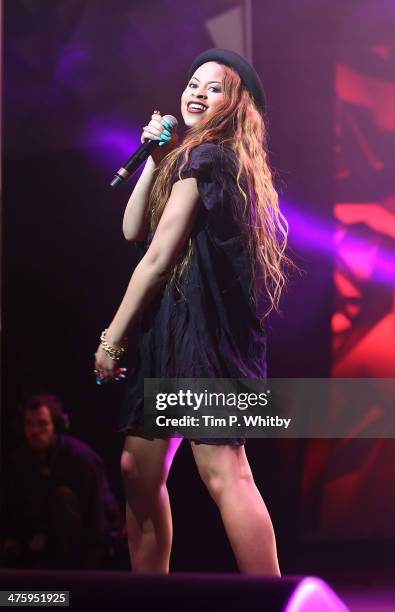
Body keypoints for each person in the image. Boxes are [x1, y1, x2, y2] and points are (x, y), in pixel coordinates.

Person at [94, 48, 290, 575]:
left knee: (224, 470)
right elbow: (133, 230)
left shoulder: (211, 157)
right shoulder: (186, 158)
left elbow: (156, 258)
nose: (197, 92)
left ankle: (271, 597)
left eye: (214, 87)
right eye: (192, 82)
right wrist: (153, 158)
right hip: (170, 332)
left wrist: (112, 338)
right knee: (139, 467)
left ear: (234, 106)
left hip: (201, 337)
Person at [2, 393, 122, 569]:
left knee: (62, 498)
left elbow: (98, 519)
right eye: (29, 424)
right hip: (38, 550)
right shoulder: (19, 461)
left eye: (42, 424)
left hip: (85, 554)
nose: (34, 431)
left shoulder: (81, 459)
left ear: (56, 426)